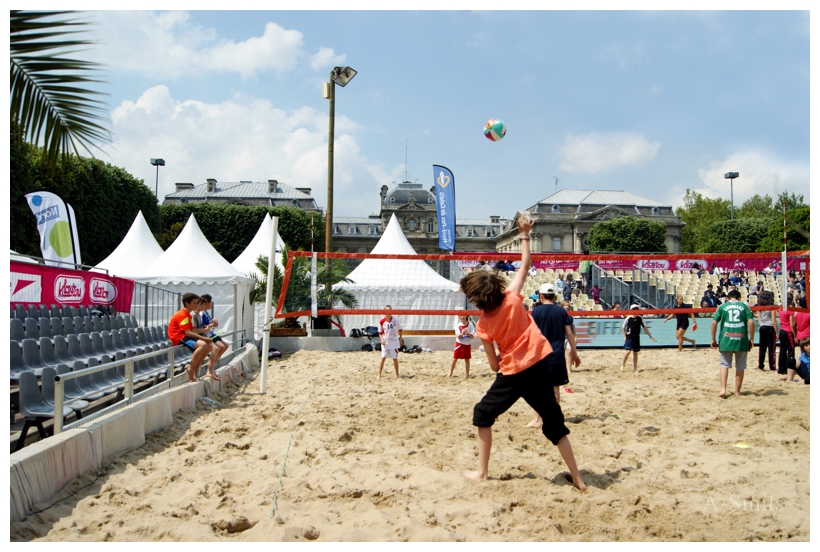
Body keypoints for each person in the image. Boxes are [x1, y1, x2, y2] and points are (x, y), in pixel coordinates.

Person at [458, 213, 585, 490]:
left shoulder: (484, 325)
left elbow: (494, 367)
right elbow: (525, 265)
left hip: (513, 374)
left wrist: (498, 352)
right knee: (554, 424)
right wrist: (525, 234)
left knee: (482, 414)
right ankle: (578, 478)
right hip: (540, 366)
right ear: (496, 287)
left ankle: (482, 473)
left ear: (477, 299)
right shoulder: (513, 299)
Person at [524, 283, 582, 429]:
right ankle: (553, 418)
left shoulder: (536, 311)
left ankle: (537, 420)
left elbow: (529, 334)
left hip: (539, 355)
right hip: (557, 354)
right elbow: (569, 334)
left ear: (541, 296)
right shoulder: (562, 311)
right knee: (555, 389)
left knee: (538, 390)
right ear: (555, 297)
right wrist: (575, 354)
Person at [710, 289, 755, 398]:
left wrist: (713, 339)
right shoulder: (744, 306)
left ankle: (723, 389)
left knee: (724, 365)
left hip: (726, 339)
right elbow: (751, 322)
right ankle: (737, 392)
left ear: (728, 298)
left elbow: (714, 322)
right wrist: (752, 339)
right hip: (741, 339)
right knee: (740, 366)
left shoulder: (722, 306)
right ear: (739, 298)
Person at [168, 292, 216, 383]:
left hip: (184, 335)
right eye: (195, 303)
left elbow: (192, 330)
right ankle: (190, 369)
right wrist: (204, 338)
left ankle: (196, 368)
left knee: (209, 346)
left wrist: (205, 333)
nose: (196, 305)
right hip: (178, 337)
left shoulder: (188, 315)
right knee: (202, 345)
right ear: (187, 304)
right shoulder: (182, 315)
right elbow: (188, 332)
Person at [196, 294, 229, 380]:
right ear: (206, 303)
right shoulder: (201, 313)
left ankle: (211, 365)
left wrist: (214, 322)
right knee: (219, 347)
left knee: (225, 346)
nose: (211, 304)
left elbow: (210, 324)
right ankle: (210, 368)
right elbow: (202, 326)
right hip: (207, 334)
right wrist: (212, 324)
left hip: (210, 333)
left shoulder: (205, 312)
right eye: (210, 302)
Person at [621, 305, 657, 372]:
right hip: (629, 337)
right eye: (634, 309)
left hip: (636, 337)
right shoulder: (628, 318)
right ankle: (623, 365)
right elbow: (623, 327)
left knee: (635, 353)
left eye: (637, 309)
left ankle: (635, 369)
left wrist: (650, 336)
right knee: (628, 351)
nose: (636, 311)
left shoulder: (640, 318)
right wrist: (624, 336)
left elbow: (645, 328)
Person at [377, 305, 403, 379]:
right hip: (385, 342)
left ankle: (397, 374)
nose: (388, 312)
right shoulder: (382, 321)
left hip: (394, 342)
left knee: (395, 358)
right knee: (383, 357)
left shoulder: (395, 320)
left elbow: (400, 329)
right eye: (387, 310)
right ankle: (379, 374)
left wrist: (400, 339)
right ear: (384, 311)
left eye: (390, 310)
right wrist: (381, 339)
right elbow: (379, 332)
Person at [449, 314, 475, 378]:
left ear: (466, 316)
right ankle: (450, 373)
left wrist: (468, 334)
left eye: (463, 315)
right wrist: (462, 333)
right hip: (460, 343)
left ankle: (467, 374)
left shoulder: (470, 325)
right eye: (460, 316)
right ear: (458, 317)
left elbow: (472, 336)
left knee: (467, 359)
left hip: (467, 344)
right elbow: (459, 337)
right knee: (455, 358)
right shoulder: (458, 326)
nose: (462, 317)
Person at [756, 306, 778, 371]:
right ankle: (772, 366)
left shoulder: (760, 307)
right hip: (770, 326)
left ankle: (761, 365)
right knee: (771, 348)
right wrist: (776, 332)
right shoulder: (772, 307)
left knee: (762, 348)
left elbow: (759, 320)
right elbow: (774, 321)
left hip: (762, 326)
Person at [778, 308, 796, 375]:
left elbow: (780, 321)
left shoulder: (780, 310)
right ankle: (790, 368)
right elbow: (791, 324)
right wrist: (795, 335)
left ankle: (781, 369)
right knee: (791, 350)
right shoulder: (790, 310)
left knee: (782, 350)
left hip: (782, 330)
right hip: (788, 331)